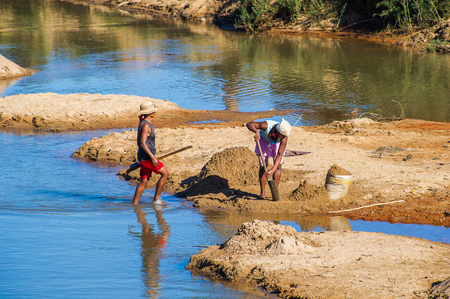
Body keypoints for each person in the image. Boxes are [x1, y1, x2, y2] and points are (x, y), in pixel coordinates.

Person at [131, 101, 170, 205]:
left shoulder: (143, 122)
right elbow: (143, 143)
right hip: (147, 158)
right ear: (150, 113)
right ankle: (156, 200)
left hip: (144, 156)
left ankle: (134, 204)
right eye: (153, 111)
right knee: (165, 174)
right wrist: (152, 157)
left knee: (144, 181)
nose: (154, 113)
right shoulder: (146, 125)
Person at [246, 118, 292, 199]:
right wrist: (256, 132)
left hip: (276, 145)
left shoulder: (284, 137)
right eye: (282, 135)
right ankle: (262, 193)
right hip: (263, 141)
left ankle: (275, 192)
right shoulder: (266, 125)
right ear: (278, 132)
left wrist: (272, 170)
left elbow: (280, 154)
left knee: (278, 167)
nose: (284, 137)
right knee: (263, 167)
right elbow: (249, 124)